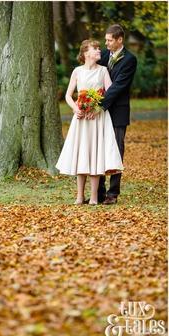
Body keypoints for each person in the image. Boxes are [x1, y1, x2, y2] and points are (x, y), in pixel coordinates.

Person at [56, 40, 123, 205]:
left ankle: (93, 197)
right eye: (96, 48)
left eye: (99, 48)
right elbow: (68, 95)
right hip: (81, 120)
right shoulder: (77, 71)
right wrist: (75, 108)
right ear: (86, 53)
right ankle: (79, 196)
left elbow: (109, 94)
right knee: (82, 154)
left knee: (95, 154)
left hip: (98, 118)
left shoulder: (103, 71)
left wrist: (97, 108)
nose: (99, 50)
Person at [97, 24, 137, 204]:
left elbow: (118, 86)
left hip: (118, 112)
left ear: (120, 39)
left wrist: (99, 104)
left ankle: (112, 193)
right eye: (105, 40)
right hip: (99, 112)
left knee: (116, 150)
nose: (106, 43)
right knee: (98, 149)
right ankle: (98, 191)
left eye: (109, 40)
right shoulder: (103, 56)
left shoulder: (130, 60)